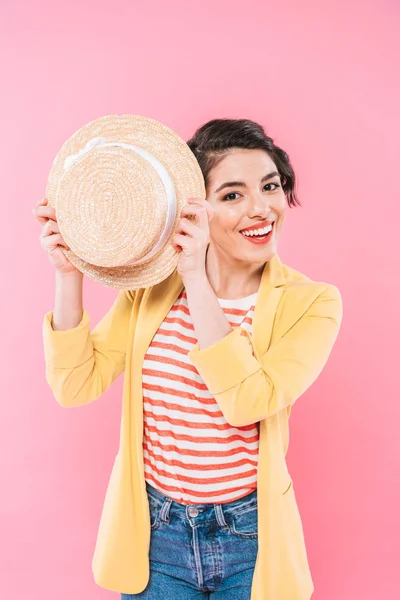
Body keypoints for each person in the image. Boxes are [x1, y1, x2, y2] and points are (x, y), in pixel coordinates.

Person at [35, 118, 343, 599]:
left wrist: (197, 280)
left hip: (251, 541)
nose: (261, 209)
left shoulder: (312, 303)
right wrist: (68, 277)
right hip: (157, 538)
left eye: (270, 186)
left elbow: (246, 403)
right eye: (232, 195)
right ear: (193, 210)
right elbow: (76, 386)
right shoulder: (151, 293)